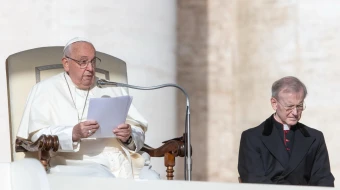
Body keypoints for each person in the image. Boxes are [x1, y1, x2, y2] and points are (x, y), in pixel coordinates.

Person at [17, 37, 160, 180]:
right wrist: (72, 133)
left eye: (93, 61)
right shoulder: (45, 90)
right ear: (66, 63)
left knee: (153, 179)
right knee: (104, 179)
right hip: (77, 163)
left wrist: (128, 136)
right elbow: (38, 136)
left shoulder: (111, 88)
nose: (90, 68)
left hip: (122, 161)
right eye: (83, 62)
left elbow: (139, 130)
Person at [238, 76, 334, 186]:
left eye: (299, 106)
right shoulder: (252, 137)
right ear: (274, 103)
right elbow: (253, 179)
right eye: (289, 106)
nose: (295, 112)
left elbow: (323, 179)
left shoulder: (315, 137)